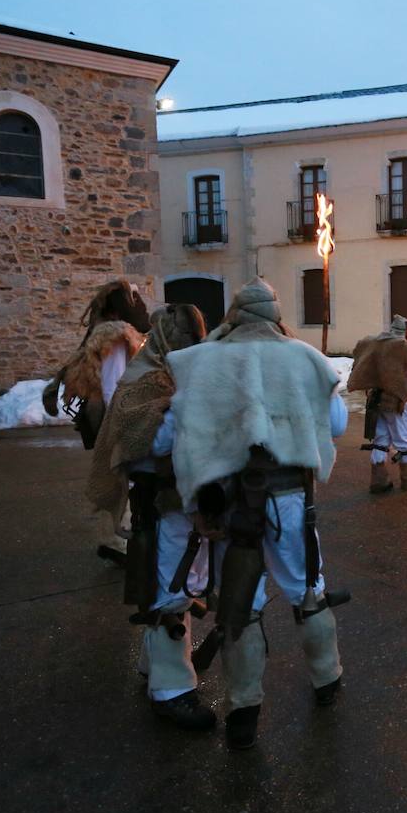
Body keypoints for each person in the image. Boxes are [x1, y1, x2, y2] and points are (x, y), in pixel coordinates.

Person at [164, 279, 349, 750]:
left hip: (226, 505)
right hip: (288, 500)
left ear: (235, 314)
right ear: (274, 313)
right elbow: (337, 424)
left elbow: (178, 430)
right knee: (309, 589)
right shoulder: (302, 356)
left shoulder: (204, 360)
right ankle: (327, 681)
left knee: (241, 607)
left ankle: (243, 710)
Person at [83, 303, 213, 730]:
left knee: (176, 582)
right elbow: (146, 442)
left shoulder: (171, 374)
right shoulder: (144, 380)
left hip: (179, 502)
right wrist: (188, 406)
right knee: (171, 591)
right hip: (161, 503)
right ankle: (172, 691)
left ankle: (153, 667)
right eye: (185, 339)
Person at [42, 279, 151, 563]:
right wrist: (125, 419)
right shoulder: (116, 336)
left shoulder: (114, 333)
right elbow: (114, 384)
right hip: (116, 416)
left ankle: (112, 539)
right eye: (135, 300)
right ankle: (117, 540)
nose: (141, 305)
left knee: (117, 478)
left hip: (115, 414)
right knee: (120, 479)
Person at [347, 315, 407, 494]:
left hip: (375, 401)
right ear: (406, 331)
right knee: (403, 440)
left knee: (381, 440)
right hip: (395, 403)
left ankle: (379, 480)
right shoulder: (400, 347)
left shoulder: (376, 344)